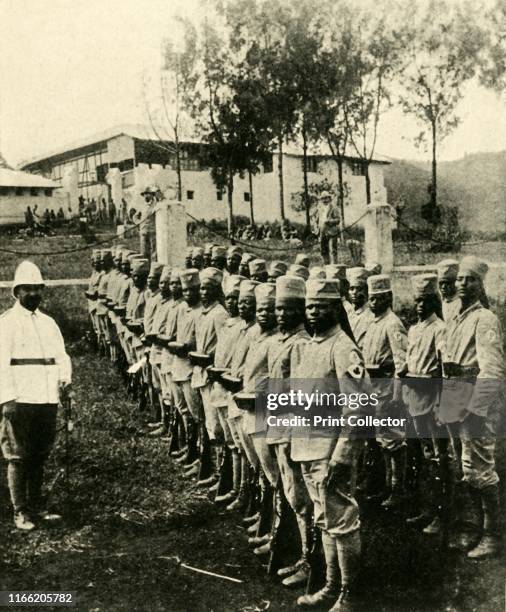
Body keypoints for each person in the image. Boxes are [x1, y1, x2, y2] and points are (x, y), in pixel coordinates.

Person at [293, 277, 368, 611]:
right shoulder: (312, 344)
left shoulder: (343, 347)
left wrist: (341, 456)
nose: (313, 312)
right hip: (308, 448)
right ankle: (331, 586)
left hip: (330, 452)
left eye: (321, 306)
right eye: (309, 305)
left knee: (342, 521)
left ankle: (350, 594)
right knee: (324, 521)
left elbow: (360, 405)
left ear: (336, 308)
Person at [438, 256, 504, 559]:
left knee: (480, 467)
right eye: (461, 279)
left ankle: (493, 534)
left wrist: (478, 408)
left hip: (475, 396)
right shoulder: (455, 315)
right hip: (454, 393)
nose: (463, 284)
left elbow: (492, 369)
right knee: (461, 465)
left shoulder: (485, 319)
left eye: (471, 280)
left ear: (481, 285)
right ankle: (472, 525)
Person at [0, 261, 72, 531]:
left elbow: (61, 357)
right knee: (18, 455)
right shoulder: (6, 323)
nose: (33, 294)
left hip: (46, 398)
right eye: (27, 289)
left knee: (40, 454)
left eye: (37, 289)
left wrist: (65, 381)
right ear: (16, 292)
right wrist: (7, 398)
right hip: (20, 399)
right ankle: (20, 511)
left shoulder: (48, 323)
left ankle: (36, 504)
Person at [402, 274, 446, 535]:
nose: (420, 306)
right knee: (420, 457)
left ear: (434, 301)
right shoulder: (415, 328)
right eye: (417, 301)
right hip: (413, 399)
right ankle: (426, 508)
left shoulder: (439, 329)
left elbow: (441, 368)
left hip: (431, 401)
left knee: (437, 460)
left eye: (425, 300)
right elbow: (410, 360)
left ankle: (441, 513)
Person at [362, 274, 408, 507]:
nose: (373, 303)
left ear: (388, 298)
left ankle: (398, 489)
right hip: (373, 385)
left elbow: (402, 361)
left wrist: (397, 395)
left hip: (388, 386)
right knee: (381, 439)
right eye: (371, 298)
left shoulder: (392, 323)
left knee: (393, 439)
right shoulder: (373, 323)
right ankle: (387, 485)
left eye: (378, 299)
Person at [317, 191, 340, 265]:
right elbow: (318, 220)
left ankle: (334, 267)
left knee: (333, 250)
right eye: (322, 199)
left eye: (326, 198)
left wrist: (329, 221)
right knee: (323, 250)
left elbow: (338, 220)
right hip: (322, 232)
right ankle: (326, 266)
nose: (324, 200)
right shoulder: (320, 208)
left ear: (329, 199)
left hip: (332, 232)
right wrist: (317, 229)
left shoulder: (334, 208)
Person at [138, 186, 159, 260]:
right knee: (143, 251)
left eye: (147, 194)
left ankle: (154, 268)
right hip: (143, 231)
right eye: (144, 194)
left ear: (152, 195)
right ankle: (145, 268)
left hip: (153, 231)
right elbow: (135, 216)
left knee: (154, 251)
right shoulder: (142, 205)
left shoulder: (156, 205)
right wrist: (138, 222)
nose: (146, 196)